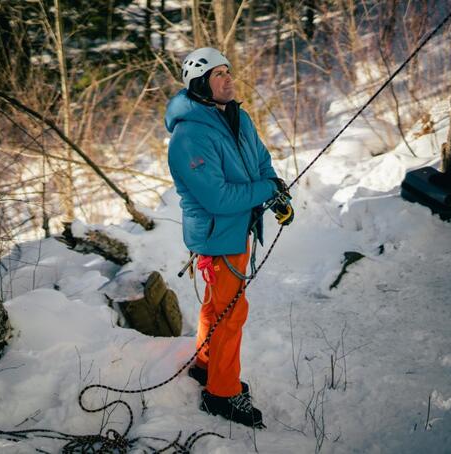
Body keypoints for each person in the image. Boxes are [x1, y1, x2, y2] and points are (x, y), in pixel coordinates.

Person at [164, 47, 294, 428]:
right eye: (218, 74)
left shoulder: (237, 116)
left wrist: (277, 196)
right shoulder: (189, 137)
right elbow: (218, 198)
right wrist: (265, 190)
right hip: (218, 233)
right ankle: (221, 394)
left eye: (228, 71)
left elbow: (261, 162)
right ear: (200, 85)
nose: (228, 79)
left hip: (239, 227)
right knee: (230, 313)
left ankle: (207, 366)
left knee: (216, 307)